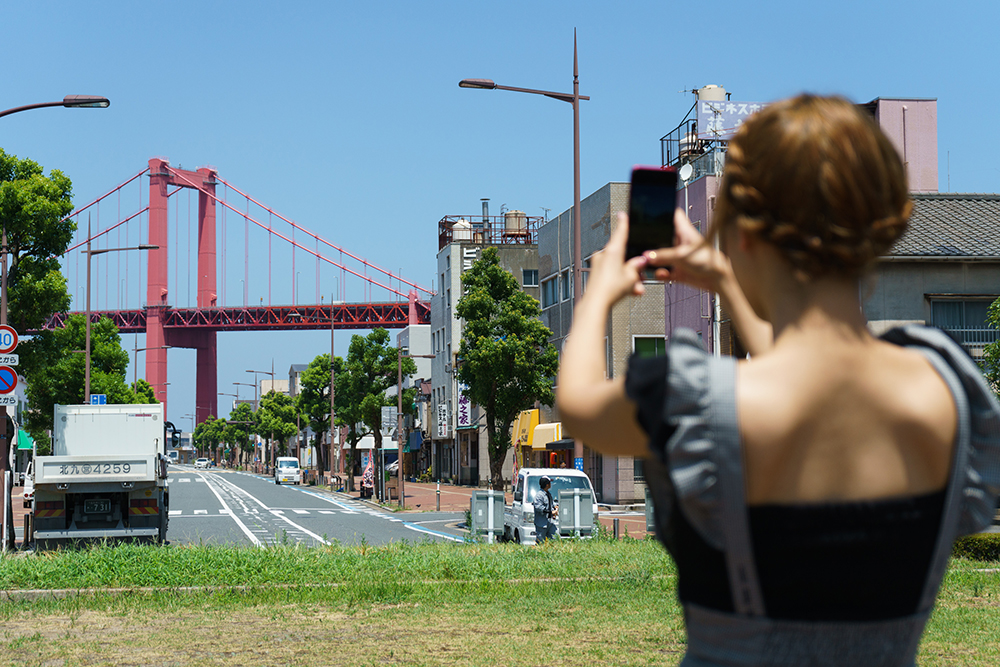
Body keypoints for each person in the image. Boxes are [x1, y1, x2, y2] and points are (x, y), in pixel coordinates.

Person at [557, 94, 1000, 666]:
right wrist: (730, 283)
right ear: (885, 224)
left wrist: (598, 294)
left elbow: (579, 404)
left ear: (743, 234)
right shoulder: (947, 392)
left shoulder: (699, 402)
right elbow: (820, 388)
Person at [533, 476, 557, 544]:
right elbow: (538, 507)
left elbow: (551, 503)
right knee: (540, 542)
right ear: (547, 484)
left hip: (549, 522)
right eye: (549, 483)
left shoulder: (548, 494)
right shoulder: (539, 495)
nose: (550, 484)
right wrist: (551, 512)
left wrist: (555, 506)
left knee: (555, 538)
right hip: (541, 524)